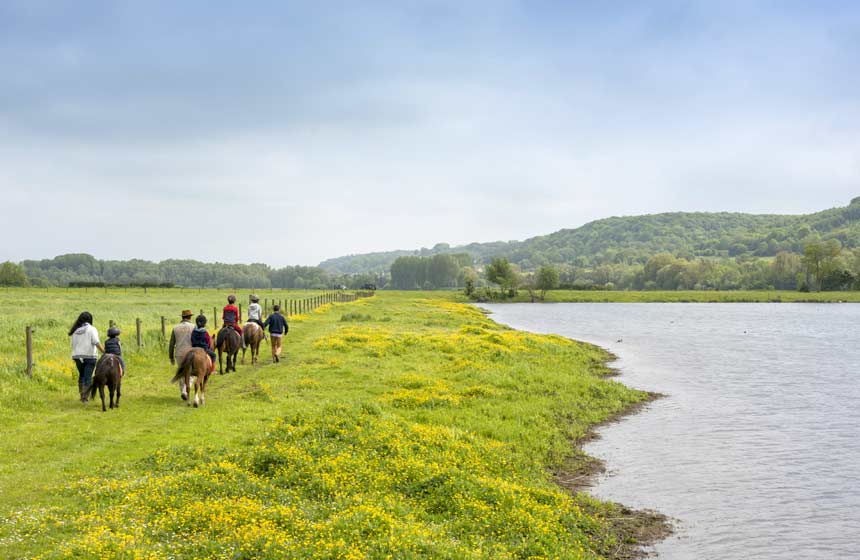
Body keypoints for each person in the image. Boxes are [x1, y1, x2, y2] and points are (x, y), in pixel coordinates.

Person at [69, 311, 104, 403]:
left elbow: (72, 345)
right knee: (88, 377)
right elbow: (96, 342)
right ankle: (85, 398)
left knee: (82, 375)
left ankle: (82, 395)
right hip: (90, 356)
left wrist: (75, 356)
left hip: (77, 357)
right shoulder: (92, 329)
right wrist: (104, 352)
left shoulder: (75, 331)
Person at [168, 309, 195, 399]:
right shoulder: (193, 327)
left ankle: (183, 391)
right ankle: (184, 391)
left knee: (181, 373)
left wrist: (171, 356)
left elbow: (172, 343)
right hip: (190, 353)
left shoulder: (175, 328)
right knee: (190, 373)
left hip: (179, 354)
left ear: (182, 317)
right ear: (190, 317)